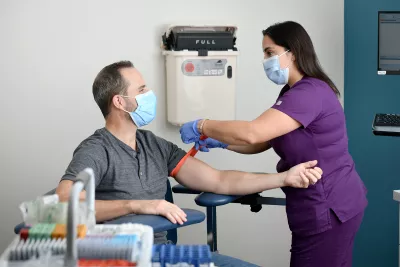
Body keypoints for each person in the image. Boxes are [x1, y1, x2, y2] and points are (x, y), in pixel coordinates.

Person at [55, 60, 323, 267]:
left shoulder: (154, 145)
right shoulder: (96, 149)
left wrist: (283, 178)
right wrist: (138, 205)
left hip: (161, 255)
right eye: (142, 89)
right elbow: (65, 201)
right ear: (119, 102)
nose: (150, 93)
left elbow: (219, 180)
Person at [179, 21, 368, 267]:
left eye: (270, 53)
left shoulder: (309, 93)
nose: (265, 60)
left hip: (329, 206)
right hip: (322, 203)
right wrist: (222, 142)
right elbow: (266, 140)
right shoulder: (292, 93)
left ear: (294, 53)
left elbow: (253, 133)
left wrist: (203, 125)